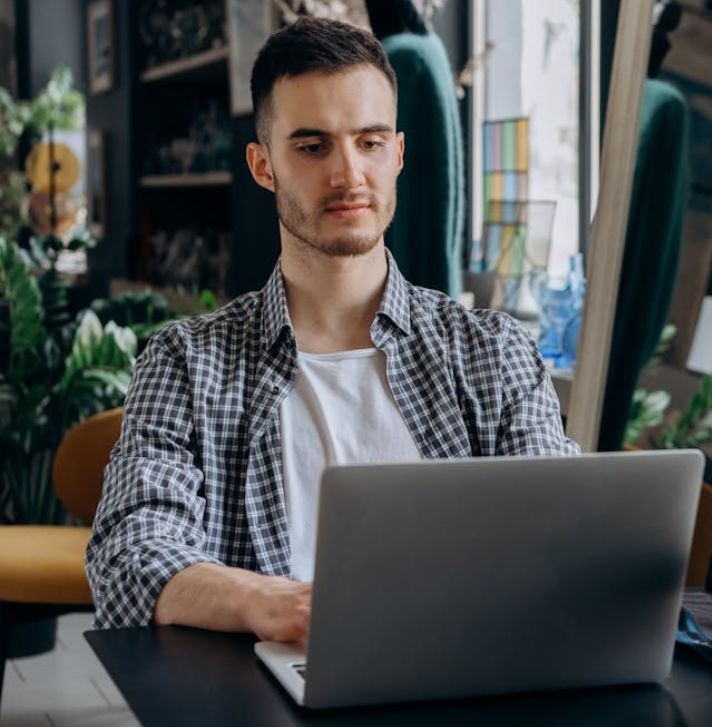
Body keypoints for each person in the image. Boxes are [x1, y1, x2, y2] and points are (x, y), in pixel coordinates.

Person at [85, 16, 579, 641]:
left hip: (469, 681)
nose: (349, 174)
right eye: (312, 147)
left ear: (398, 154)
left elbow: (562, 536)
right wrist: (268, 604)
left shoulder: (493, 352)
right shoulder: (184, 362)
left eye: (370, 142)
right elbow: (129, 554)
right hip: (270, 700)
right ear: (263, 166)